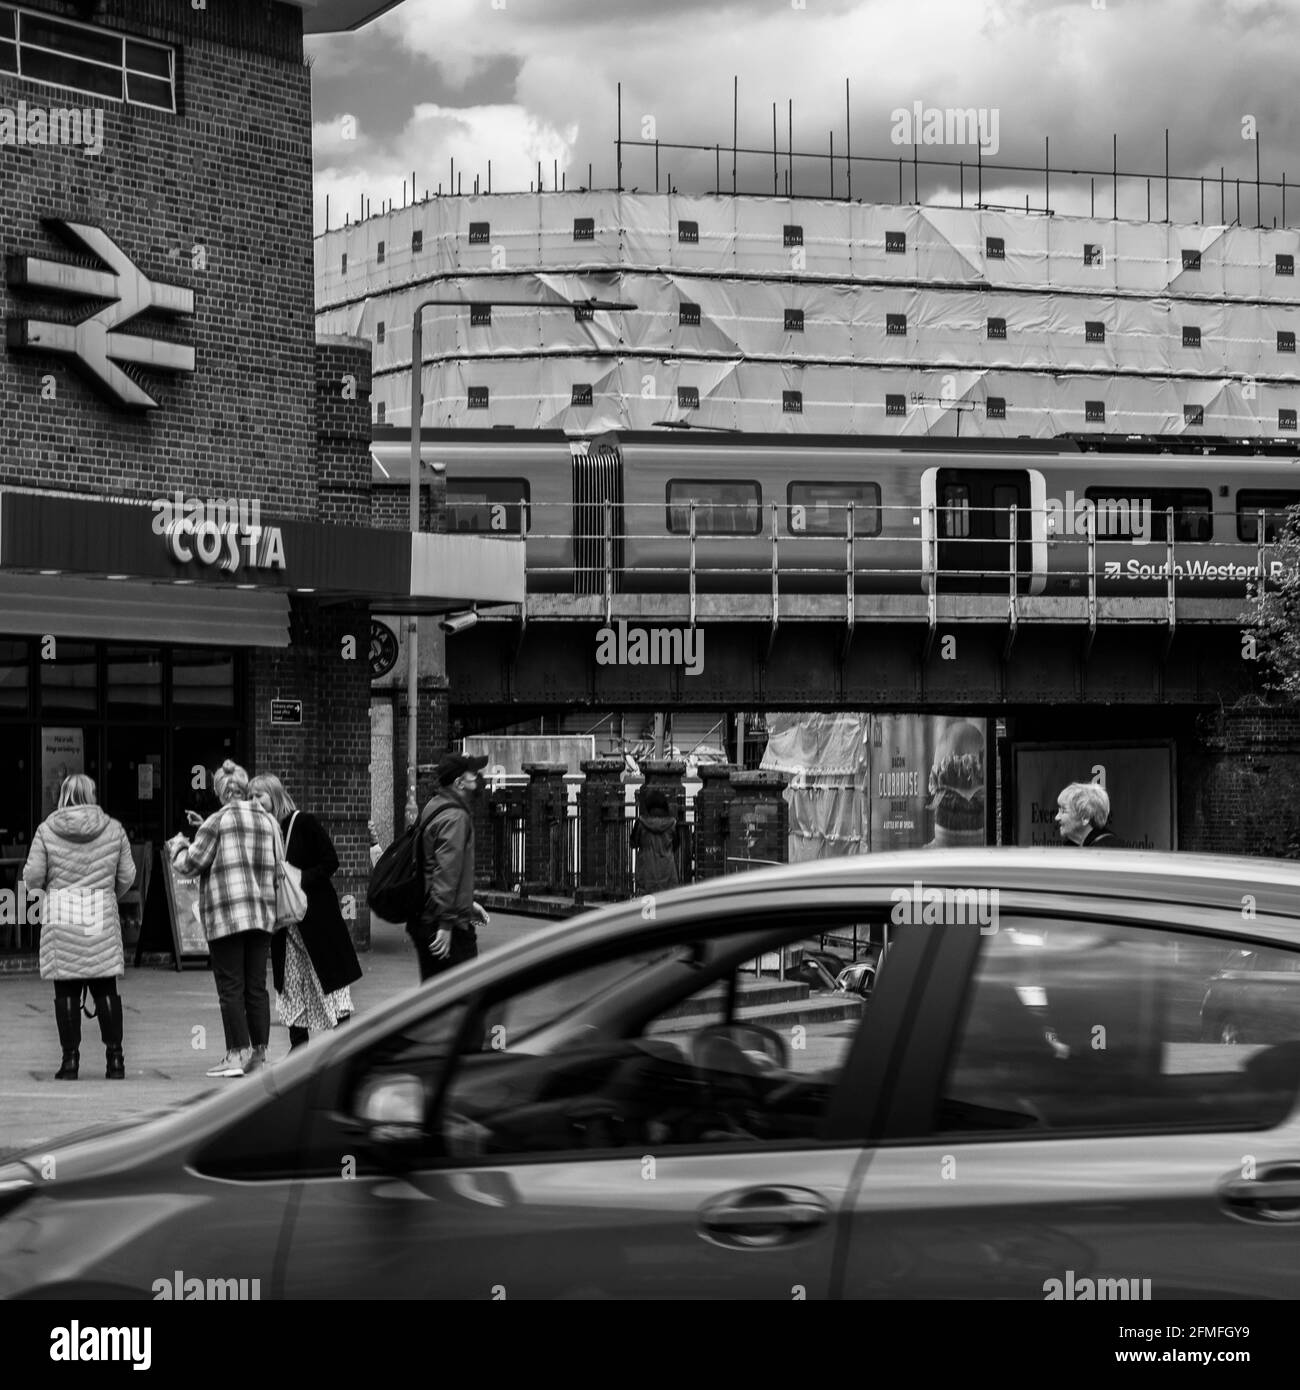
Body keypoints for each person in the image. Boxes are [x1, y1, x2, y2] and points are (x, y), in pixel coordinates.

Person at [168, 759, 277, 1078]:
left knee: (230, 986)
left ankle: (236, 1054)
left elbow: (190, 863)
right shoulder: (267, 820)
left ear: (219, 792)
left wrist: (178, 846)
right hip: (261, 914)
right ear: (243, 789)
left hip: (227, 914)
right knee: (256, 986)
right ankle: (259, 1053)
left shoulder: (217, 820)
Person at [25, 775, 137, 1081]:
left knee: (66, 989)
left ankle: (70, 1061)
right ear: (92, 795)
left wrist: (48, 890)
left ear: (63, 795)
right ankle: (115, 1060)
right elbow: (128, 874)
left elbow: (33, 875)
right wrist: (106, 894)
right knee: (105, 988)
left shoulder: (46, 830)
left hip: (63, 913)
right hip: (99, 915)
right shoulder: (113, 829)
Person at [249, 774, 361, 1051]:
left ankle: (344, 1042)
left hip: (315, 918)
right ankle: (298, 1047)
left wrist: (297, 879)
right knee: (290, 984)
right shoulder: (260, 832)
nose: (254, 801)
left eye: (259, 795)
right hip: (284, 924)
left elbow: (330, 861)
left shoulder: (303, 823)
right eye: (250, 796)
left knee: (329, 979)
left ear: (274, 796)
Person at [408, 752, 491, 984]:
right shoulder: (455, 816)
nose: (478, 779)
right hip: (446, 925)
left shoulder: (435, 805)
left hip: (430, 916)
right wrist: (445, 924)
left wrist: (466, 904)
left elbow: (435, 865)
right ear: (459, 783)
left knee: (437, 995)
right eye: (473, 775)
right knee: (461, 997)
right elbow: (447, 872)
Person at [630, 787, 682, 895]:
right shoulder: (672, 823)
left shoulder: (640, 823)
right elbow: (676, 845)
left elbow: (633, 843)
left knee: (646, 907)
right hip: (668, 871)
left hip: (646, 871)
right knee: (667, 905)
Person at [1055, 781, 1121, 847]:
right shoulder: (1070, 848)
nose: (1057, 817)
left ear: (1085, 818)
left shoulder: (1107, 850)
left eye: (1063, 811)